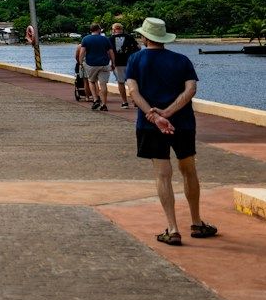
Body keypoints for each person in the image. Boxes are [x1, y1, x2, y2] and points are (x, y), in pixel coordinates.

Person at [125, 17, 216, 246]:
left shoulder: (135, 59)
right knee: (189, 169)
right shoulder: (182, 60)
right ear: (163, 38)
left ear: (145, 37)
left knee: (162, 174)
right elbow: (191, 89)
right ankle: (196, 222)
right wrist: (168, 112)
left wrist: (155, 116)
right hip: (183, 122)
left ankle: (173, 229)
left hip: (150, 126)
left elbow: (133, 92)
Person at [79, 22, 114, 111]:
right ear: (98, 30)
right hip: (104, 64)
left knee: (91, 81)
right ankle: (104, 104)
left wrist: (80, 62)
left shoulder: (85, 39)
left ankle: (95, 100)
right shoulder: (105, 39)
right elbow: (111, 52)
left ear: (91, 30)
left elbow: (82, 52)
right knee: (103, 84)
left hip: (91, 64)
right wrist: (113, 63)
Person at [111, 21, 138, 108]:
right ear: (122, 29)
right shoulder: (129, 37)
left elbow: (109, 52)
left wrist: (112, 62)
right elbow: (138, 48)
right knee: (132, 82)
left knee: (121, 82)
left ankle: (125, 102)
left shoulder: (110, 39)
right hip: (130, 62)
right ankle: (135, 100)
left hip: (118, 63)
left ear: (114, 30)